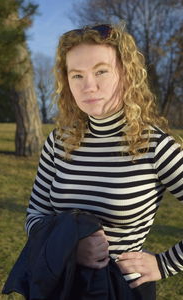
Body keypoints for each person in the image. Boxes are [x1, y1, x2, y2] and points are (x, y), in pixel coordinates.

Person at [25, 23, 183, 299]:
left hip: (119, 289)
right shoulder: (59, 141)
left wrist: (164, 263)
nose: (89, 86)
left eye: (101, 71)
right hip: (58, 282)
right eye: (77, 75)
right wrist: (71, 247)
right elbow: (35, 216)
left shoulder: (155, 146)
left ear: (126, 73)